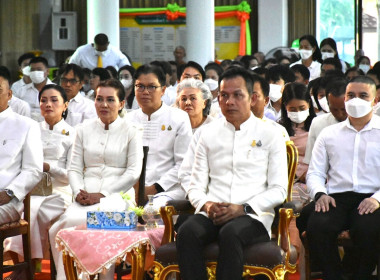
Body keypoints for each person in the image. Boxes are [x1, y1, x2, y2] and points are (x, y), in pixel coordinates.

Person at [176, 67, 288, 280]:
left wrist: (243, 208)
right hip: (213, 212)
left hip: (254, 216)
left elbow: (279, 190)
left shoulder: (271, 134)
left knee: (231, 233)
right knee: (188, 230)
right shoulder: (207, 134)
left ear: (252, 98)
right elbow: (195, 185)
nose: (229, 102)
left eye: (238, 95)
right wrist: (207, 205)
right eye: (224, 96)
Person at [49, 79, 143, 280]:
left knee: (96, 223)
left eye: (110, 99)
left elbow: (133, 172)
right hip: (84, 193)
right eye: (99, 99)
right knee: (64, 225)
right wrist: (78, 192)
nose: (104, 104)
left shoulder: (132, 131)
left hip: (118, 195)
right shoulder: (83, 129)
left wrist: (102, 195)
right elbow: (73, 168)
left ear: (121, 103)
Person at [304, 76, 380, 280]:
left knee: (369, 229)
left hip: (372, 198)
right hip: (336, 197)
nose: (356, 101)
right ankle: (333, 275)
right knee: (317, 225)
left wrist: (377, 199)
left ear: (374, 99)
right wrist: (320, 194)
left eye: (363, 96)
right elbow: (315, 172)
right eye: (351, 95)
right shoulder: (329, 134)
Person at [4, 84, 74, 279]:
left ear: (65, 105)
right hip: (31, 189)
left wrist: (49, 167)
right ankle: (22, 265)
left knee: (33, 211)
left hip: (60, 191)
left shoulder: (73, 134)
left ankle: (30, 266)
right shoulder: (30, 128)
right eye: (44, 100)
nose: (48, 104)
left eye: (54, 100)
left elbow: (73, 174)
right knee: (19, 208)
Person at [126, 64, 192, 208]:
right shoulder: (127, 120)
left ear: (163, 90)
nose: (145, 92)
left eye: (151, 87)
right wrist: (136, 189)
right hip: (132, 189)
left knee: (152, 210)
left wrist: (155, 188)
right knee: (113, 208)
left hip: (169, 189)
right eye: (140, 86)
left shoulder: (178, 118)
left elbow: (184, 163)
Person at [304, 78, 348, 165]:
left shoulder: (364, 123)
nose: (340, 114)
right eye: (334, 109)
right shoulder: (318, 123)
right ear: (328, 104)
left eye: (344, 109)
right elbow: (311, 160)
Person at [16, 56, 53, 121]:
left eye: (39, 69)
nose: (35, 72)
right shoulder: (21, 91)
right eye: (32, 70)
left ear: (47, 71)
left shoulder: (56, 91)